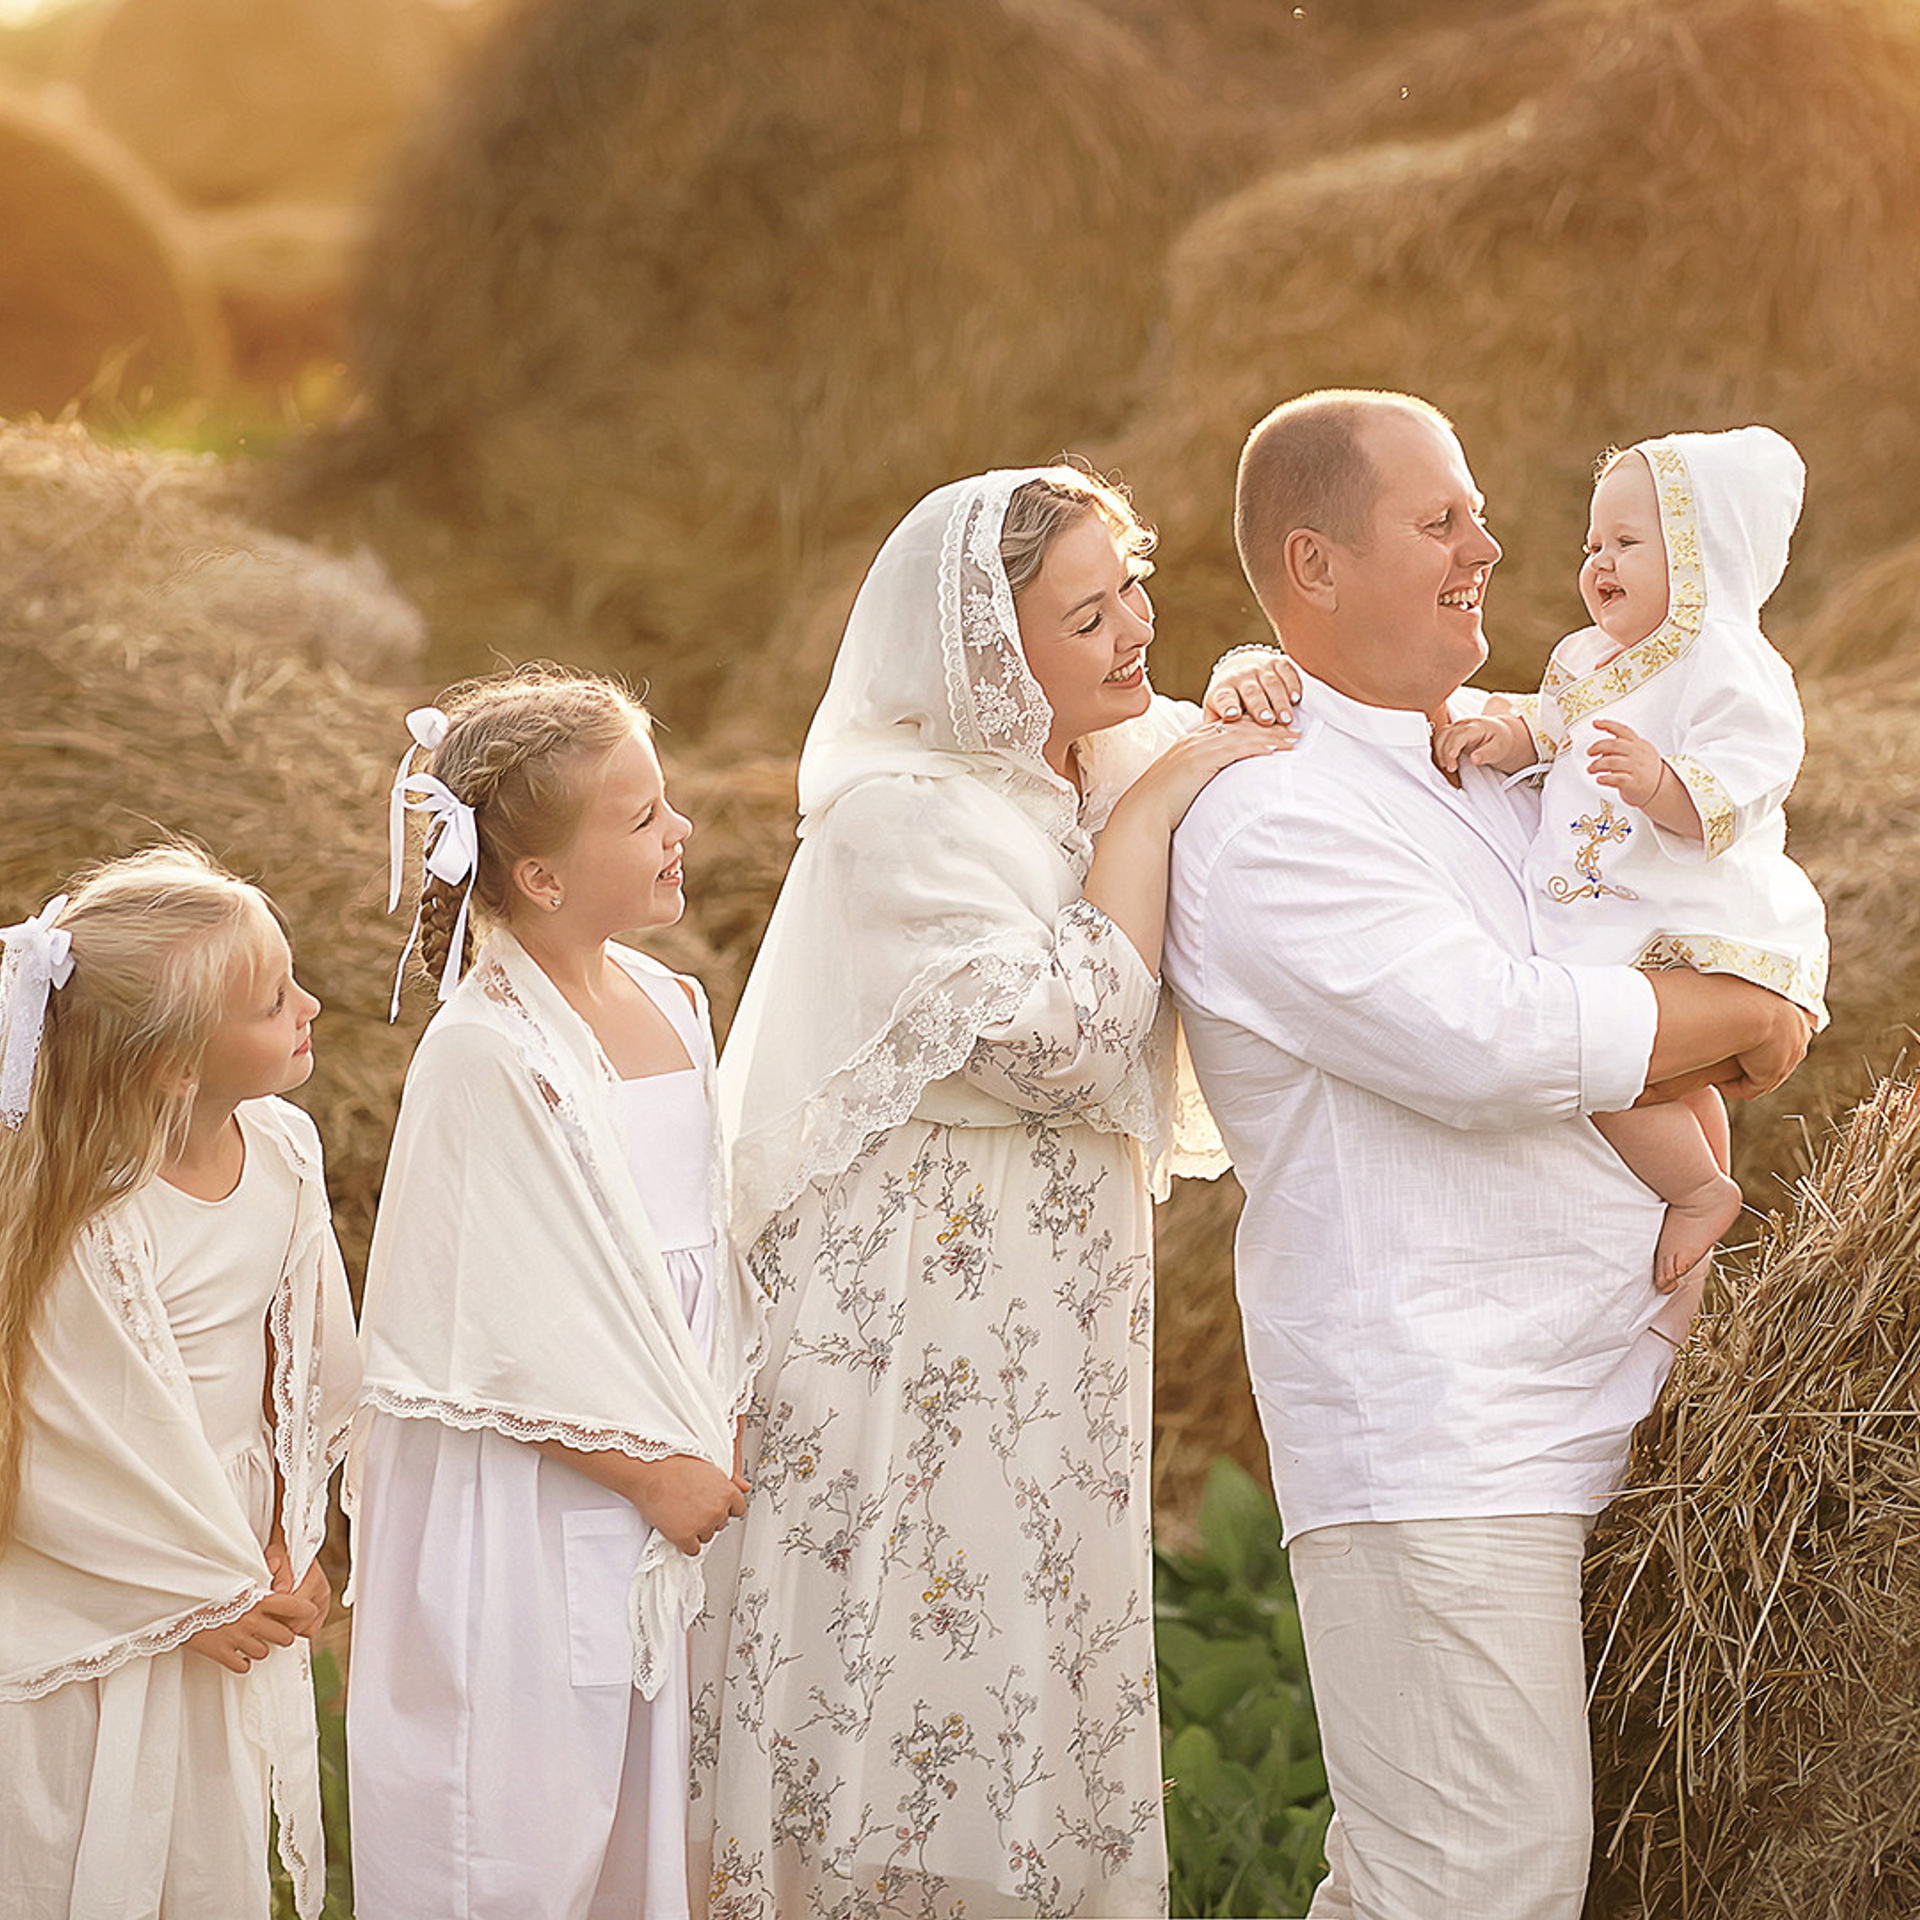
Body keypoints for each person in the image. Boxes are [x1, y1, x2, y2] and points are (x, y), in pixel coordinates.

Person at [1162, 391, 1813, 1920]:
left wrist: (1748, 1006)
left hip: (1610, 1387)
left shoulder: (1505, 766)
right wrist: (1739, 1013)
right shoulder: (1269, 817)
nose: (1492, 547)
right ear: (1313, 568)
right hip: (1442, 1432)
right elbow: (1490, 1041)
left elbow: (1704, 900)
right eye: (1441, 518)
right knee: (1463, 1879)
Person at [689, 467, 1290, 1918]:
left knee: (1031, 1640)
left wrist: (1255, 691)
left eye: (1134, 584)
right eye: (1088, 614)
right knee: (903, 1642)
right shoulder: (900, 816)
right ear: (983, 649)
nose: (1136, 627)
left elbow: (1239, 736)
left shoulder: (1096, 749)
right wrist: (1160, 800)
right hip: (904, 1322)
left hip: (1047, 1314)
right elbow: (1073, 1039)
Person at [346, 667, 763, 1920]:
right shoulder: (485, 1052)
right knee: (524, 1812)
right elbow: (487, 1321)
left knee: (657, 1803)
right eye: (639, 819)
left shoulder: (675, 1003)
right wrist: (649, 1469)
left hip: (684, 1457)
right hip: (550, 1481)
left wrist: (723, 1412)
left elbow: (713, 1244)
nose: (678, 830)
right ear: (538, 876)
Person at [0, 846, 359, 1920]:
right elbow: (74, 1441)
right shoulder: (92, 1215)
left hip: (236, 1552)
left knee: (202, 1846)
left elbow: (300, 1362)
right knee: (91, 1837)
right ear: (174, 1066)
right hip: (108, 1573)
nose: (312, 1003)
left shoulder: (285, 1147)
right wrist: (179, 1597)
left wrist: (295, 1530)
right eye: (271, 1001)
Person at [1432, 426, 1828, 1299]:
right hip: (1604, 909)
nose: (1600, 562)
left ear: (1701, 552)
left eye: (1627, 542)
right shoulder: (1585, 655)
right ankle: (1704, 1186)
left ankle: (1696, 1191)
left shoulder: (1729, 659)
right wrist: (1507, 734)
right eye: (1592, 545)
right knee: (1656, 1075)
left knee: (1601, 1066)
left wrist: (1666, 785)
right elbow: (1554, 719)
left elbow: (1758, 765)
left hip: (1688, 913)